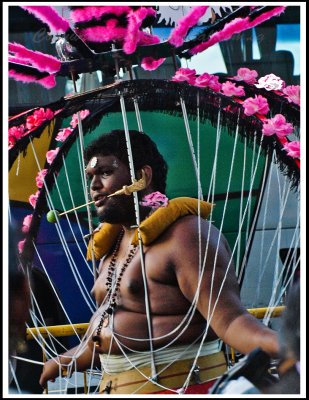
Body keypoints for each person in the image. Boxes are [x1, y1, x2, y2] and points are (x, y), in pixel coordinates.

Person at [39, 129, 279, 394]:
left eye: (105, 173)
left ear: (143, 176)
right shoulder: (112, 243)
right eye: (90, 177)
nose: (94, 187)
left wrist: (289, 348)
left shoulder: (186, 235)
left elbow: (232, 321)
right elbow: (110, 332)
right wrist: (60, 361)